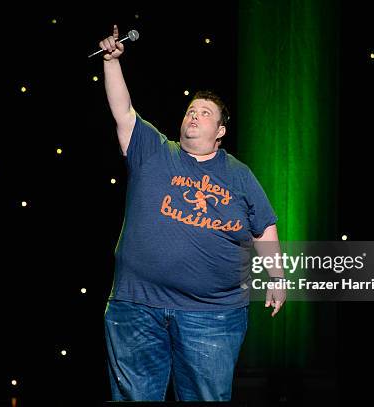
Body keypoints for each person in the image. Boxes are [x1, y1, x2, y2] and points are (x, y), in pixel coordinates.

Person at [99, 24, 286, 401]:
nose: (194, 116)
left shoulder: (238, 175)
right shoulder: (153, 150)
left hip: (212, 316)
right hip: (137, 306)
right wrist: (112, 62)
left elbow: (263, 227)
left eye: (205, 113)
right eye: (191, 110)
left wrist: (277, 276)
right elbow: (123, 111)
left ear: (220, 131)